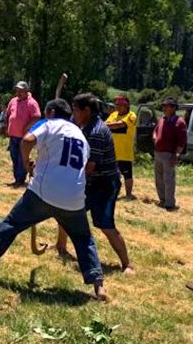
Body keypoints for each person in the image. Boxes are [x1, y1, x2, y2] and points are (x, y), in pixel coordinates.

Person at [0, 98, 107, 301]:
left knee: (10, 225)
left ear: (51, 113)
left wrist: (25, 162)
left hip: (43, 192)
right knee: (84, 239)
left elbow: (27, 140)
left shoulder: (49, 124)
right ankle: (98, 287)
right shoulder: (80, 136)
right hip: (73, 197)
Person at [53, 93, 133, 273]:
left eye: (75, 109)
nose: (73, 113)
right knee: (67, 211)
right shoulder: (82, 126)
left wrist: (68, 177)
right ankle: (60, 246)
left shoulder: (96, 132)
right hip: (90, 181)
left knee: (105, 224)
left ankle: (127, 264)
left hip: (105, 185)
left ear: (87, 111)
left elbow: (90, 166)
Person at [3, 81, 42, 187]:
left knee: (22, 158)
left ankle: (20, 180)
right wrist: (7, 126)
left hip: (25, 137)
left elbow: (37, 117)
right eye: (17, 90)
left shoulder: (32, 103)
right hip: (13, 135)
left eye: (21, 91)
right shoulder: (13, 101)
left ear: (26, 91)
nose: (18, 93)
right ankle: (17, 178)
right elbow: (8, 114)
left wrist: (26, 127)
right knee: (14, 157)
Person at [153, 98, 187, 210]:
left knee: (168, 179)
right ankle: (162, 199)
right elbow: (155, 131)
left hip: (169, 154)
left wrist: (176, 154)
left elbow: (182, 141)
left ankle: (169, 202)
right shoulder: (162, 120)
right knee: (159, 178)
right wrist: (155, 137)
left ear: (173, 108)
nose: (164, 108)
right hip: (158, 152)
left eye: (166, 106)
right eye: (163, 106)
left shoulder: (179, 122)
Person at [105, 95, 138, 199]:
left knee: (127, 174)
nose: (117, 107)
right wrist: (106, 125)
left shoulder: (131, 116)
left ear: (127, 105)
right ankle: (113, 192)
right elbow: (108, 124)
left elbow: (119, 125)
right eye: (116, 104)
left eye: (120, 104)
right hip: (112, 151)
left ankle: (128, 194)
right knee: (112, 174)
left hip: (125, 152)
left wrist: (105, 125)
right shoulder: (113, 114)